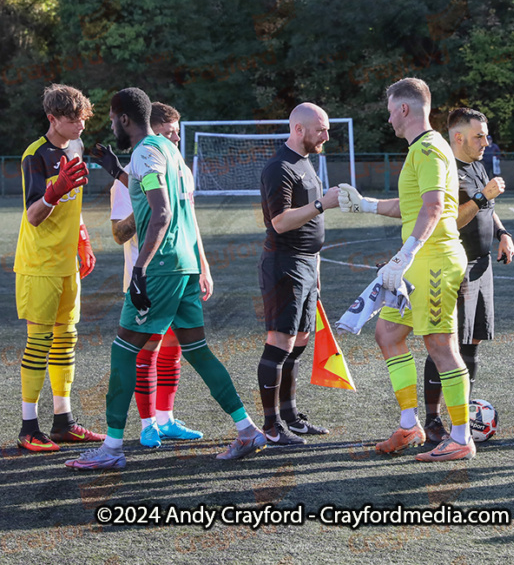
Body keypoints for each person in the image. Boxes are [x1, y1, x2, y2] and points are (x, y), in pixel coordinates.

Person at [68, 87, 265, 469]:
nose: (111, 126)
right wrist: (117, 173)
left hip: (161, 267)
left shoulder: (145, 151)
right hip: (186, 263)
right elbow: (155, 194)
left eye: (112, 119)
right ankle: (247, 429)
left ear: (125, 118)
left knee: (124, 349)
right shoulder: (169, 151)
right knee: (197, 349)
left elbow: (160, 214)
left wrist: (140, 267)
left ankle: (110, 449)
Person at [338, 77, 474, 461]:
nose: (388, 119)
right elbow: (410, 205)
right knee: (387, 333)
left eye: (389, 111)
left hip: (433, 262)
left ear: (403, 109)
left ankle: (462, 439)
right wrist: (364, 205)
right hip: (419, 263)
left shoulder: (429, 149)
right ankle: (409, 424)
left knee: (440, 345)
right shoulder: (421, 150)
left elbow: (432, 209)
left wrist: (406, 254)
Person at [108, 102, 208, 448]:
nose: (175, 139)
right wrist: (148, 209)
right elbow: (120, 234)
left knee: (173, 350)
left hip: (179, 270)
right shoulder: (135, 170)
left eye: (177, 133)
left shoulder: (177, 166)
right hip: (146, 275)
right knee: (145, 352)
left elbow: (189, 222)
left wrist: (203, 265)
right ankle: (147, 424)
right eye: (169, 133)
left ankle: (166, 419)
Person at [14, 83, 104, 452]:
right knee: (39, 342)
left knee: (66, 341)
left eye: (83, 117)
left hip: (67, 262)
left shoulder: (78, 146)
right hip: (39, 265)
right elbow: (34, 215)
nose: (81, 125)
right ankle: (28, 428)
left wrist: (82, 239)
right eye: (72, 119)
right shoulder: (34, 155)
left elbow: (74, 205)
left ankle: (63, 422)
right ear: (52, 119)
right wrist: (54, 190)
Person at [423, 108, 514, 442]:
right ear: (458, 137)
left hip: (482, 264)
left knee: (473, 340)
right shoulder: (444, 167)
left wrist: (502, 232)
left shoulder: (477, 163)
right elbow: (450, 220)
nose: (485, 142)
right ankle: (432, 419)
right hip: (452, 267)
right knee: (445, 345)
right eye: (479, 136)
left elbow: (488, 210)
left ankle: (460, 412)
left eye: (486, 135)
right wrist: (482, 195)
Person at [256, 103, 340, 446]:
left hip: (306, 264)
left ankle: (290, 416)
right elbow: (280, 222)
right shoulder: (279, 167)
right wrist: (323, 204)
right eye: (321, 129)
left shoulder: (306, 162)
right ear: (298, 129)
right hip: (284, 265)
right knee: (280, 343)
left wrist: (316, 266)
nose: (326, 136)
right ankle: (272, 425)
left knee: (301, 340)